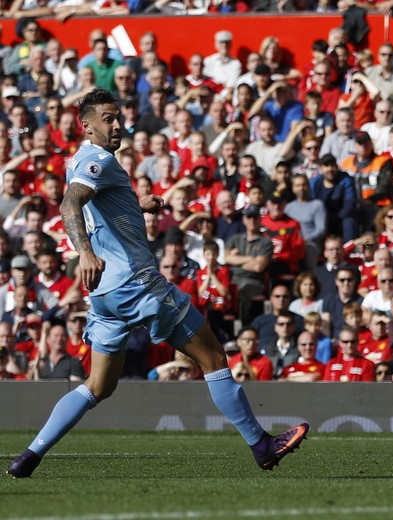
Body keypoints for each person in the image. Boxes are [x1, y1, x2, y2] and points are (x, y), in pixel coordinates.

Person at [7, 89, 308, 479]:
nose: (117, 125)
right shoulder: (97, 160)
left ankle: (29, 456)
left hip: (104, 296)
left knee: (98, 386)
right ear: (86, 125)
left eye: (119, 117)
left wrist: (138, 204)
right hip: (136, 285)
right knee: (214, 358)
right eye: (107, 119)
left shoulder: (81, 160)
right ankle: (261, 444)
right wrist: (84, 251)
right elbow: (70, 204)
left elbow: (98, 204)